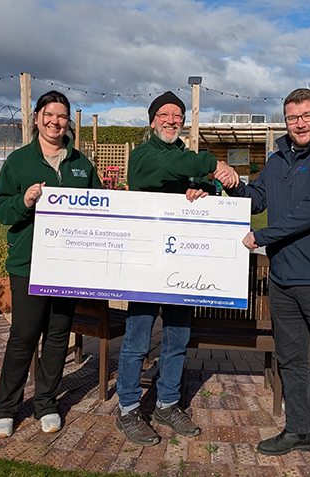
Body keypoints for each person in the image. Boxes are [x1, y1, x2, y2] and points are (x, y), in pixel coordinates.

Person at [216, 88, 310, 477]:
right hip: (283, 279)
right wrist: (233, 184)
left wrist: (262, 237)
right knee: (291, 361)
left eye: (307, 115)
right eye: (292, 117)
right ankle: (299, 431)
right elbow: (257, 199)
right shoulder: (278, 159)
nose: (300, 123)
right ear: (285, 121)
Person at [114, 91, 239, 446]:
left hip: (183, 266)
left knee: (177, 339)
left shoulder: (187, 159)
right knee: (137, 339)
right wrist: (212, 163)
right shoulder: (142, 156)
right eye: (164, 114)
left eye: (178, 116)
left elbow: (208, 191)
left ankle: (167, 404)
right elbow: (166, 168)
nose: (171, 120)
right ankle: (127, 409)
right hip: (146, 264)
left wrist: (204, 193)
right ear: (152, 120)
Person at [0, 90, 102, 438]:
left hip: (67, 265)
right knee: (23, 336)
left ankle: (47, 403)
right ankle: (6, 408)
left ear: (68, 122)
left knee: (57, 335)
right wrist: (23, 202)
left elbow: (101, 206)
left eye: (62, 116)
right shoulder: (19, 161)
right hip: (29, 264)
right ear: (37, 118)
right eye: (49, 115)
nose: (55, 122)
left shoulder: (81, 164)